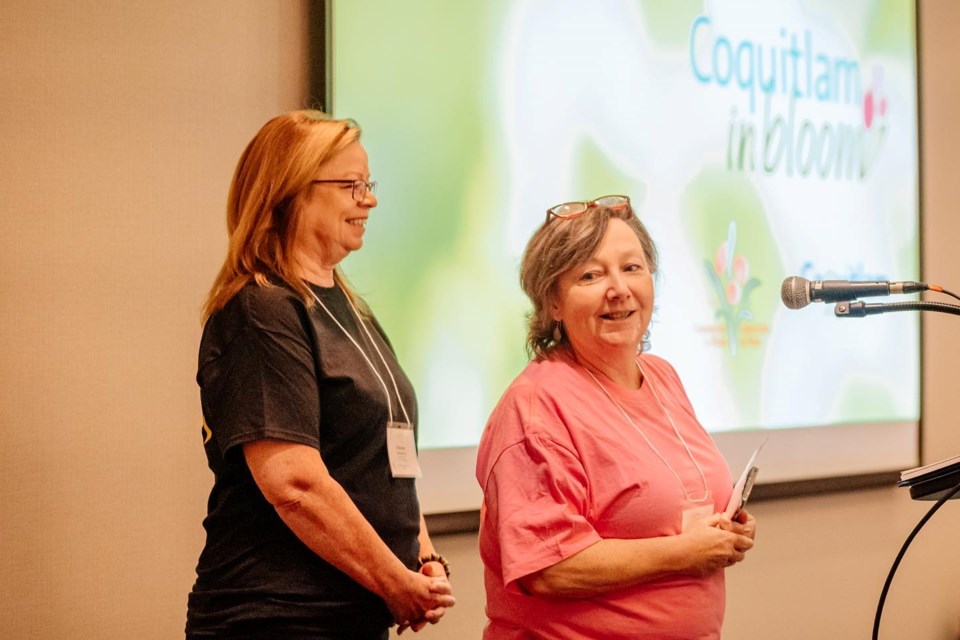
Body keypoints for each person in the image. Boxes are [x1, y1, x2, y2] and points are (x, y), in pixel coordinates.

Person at [186, 110, 455, 639]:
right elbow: (295, 484)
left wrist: (422, 555)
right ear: (292, 192)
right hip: (277, 617)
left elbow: (385, 457)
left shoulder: (350, 306)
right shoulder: (261, 310)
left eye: (369, 184)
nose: (370, 200)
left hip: (351, 615)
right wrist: (393, 582)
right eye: (352, 185)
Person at [475, 196, 756, 640]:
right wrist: (685, 552)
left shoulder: (662, 376)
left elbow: (668, 507)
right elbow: (550, 568)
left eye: (632, 268)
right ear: (552, 302)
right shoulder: (536, 406)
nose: (619, 289)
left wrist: (722, 528)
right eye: (590, 274)